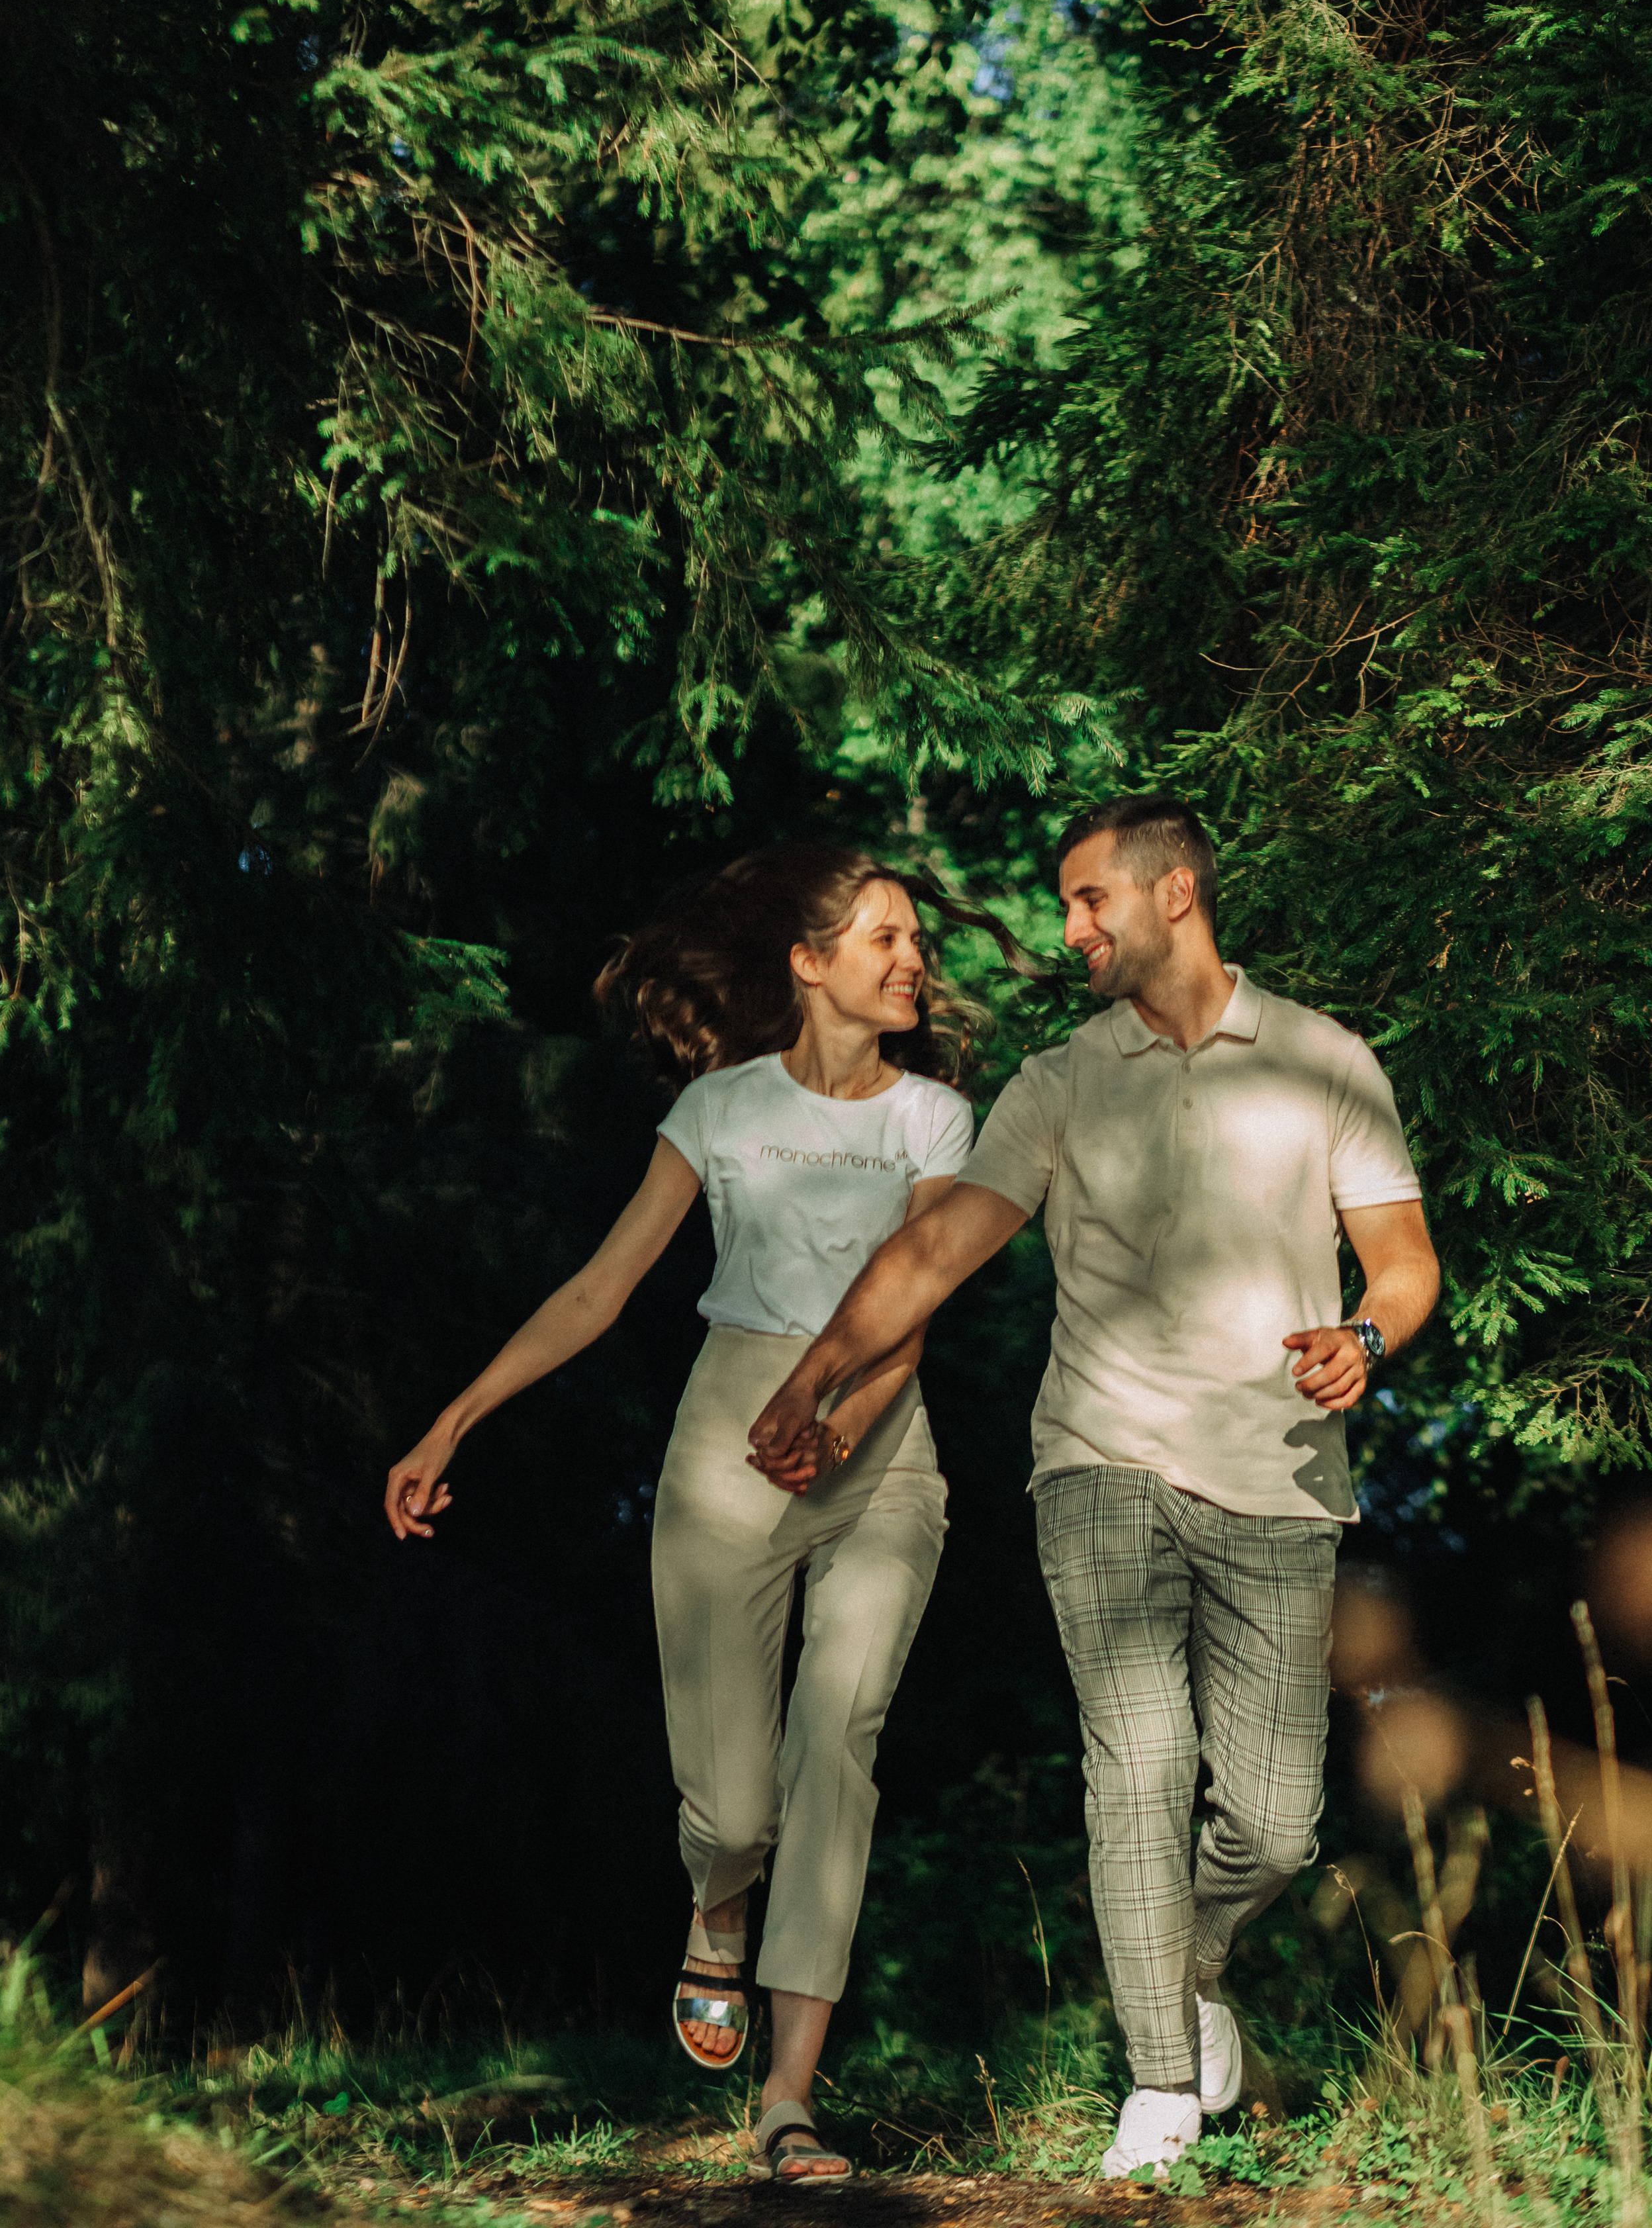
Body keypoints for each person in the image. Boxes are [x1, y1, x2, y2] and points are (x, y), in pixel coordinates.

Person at [747, 796, 1440, 2181]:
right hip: (1098, 1461)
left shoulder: (1321, 1061)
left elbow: (1404, 1263)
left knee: (1274, 1819)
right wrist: (814, 1371)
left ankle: (1181, 1969)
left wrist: (1361, 1338)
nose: (1067, 930)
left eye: (1085, 902)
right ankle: (1157, 2081)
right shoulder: (1062, 1081)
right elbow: (936, 1249)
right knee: (1135, 1766)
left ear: (1170, 892)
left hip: (1278, 1477)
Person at [385, 845, 1025, 2184]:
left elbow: (913, 1299)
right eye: (883, 938)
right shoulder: (719, 1112)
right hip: (727, 1431)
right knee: (733, 1810)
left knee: (835, 1747)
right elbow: (597, 1291)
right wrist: (454, 1420)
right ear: (808, 963)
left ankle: (788, 2102)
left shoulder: (933, 1121)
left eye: (915, 940)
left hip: (881, 1443)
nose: (913, 959)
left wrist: (846, 1420)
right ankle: (718, 1909)